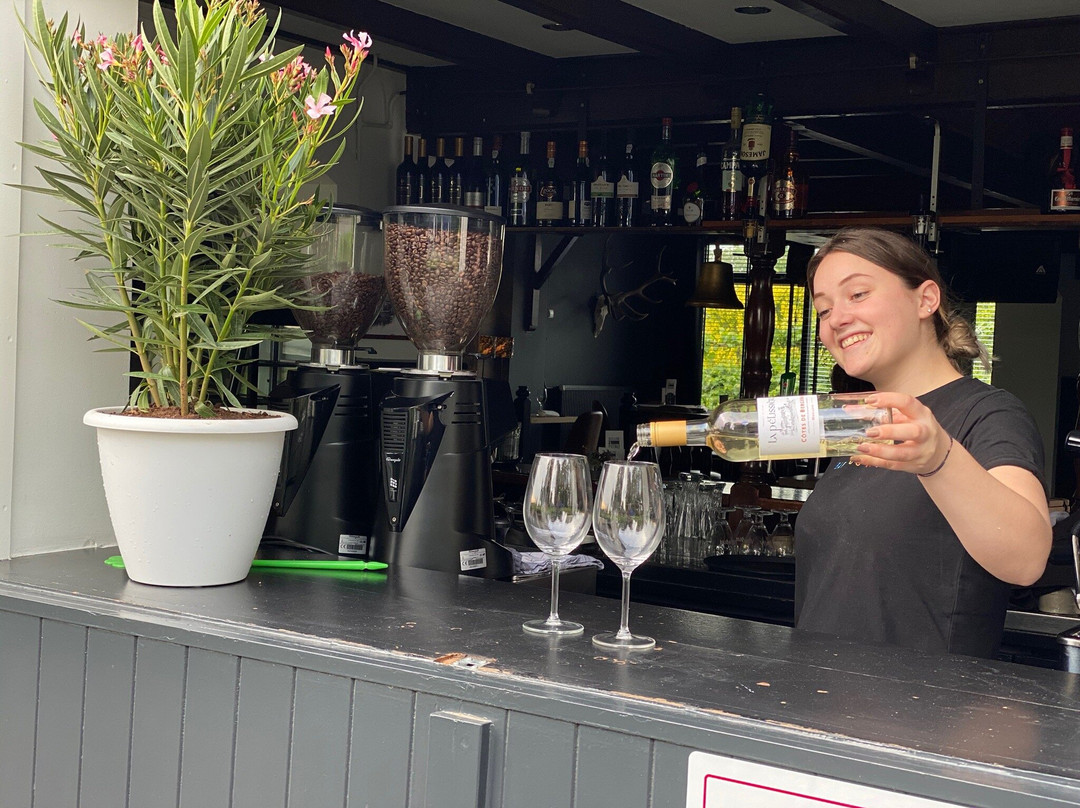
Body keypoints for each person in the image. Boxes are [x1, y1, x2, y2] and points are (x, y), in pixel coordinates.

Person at [794, 227, 1051, 658]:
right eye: (824, 309)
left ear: (925, 299)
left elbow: (1026, 560)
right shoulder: (861, 421)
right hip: (820, 689)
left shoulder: (987, 414)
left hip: (924, 698)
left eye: (857, 294)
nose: (836, 319)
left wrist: (939, 460)